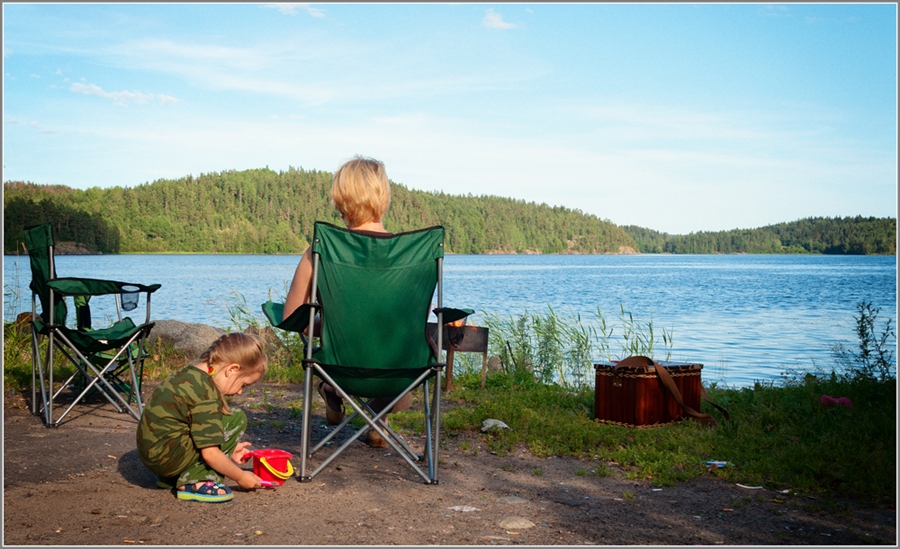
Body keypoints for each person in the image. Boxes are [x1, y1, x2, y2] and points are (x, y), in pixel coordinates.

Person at [283, 155, 411, 448]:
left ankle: (332, 387)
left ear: (339, 198)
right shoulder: (409, 254)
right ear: (384, 195)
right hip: (396, 372)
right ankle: (377, 414)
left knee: (341, 359)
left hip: (339, 365)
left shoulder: (320, 249)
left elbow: (293, 317)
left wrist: (331, 326)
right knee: (406, 372)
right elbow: (411, 325)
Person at [136, 332, 269, 503]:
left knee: (225, 418)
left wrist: (228, 449)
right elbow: (210, 454)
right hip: (167, 459)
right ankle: (197, 481)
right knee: (236, 417)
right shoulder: (205, 392)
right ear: (232, 369)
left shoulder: (188, 374)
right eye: (243, 384)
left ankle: (173, 477)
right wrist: (241, 476)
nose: (240, 392)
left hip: (154, 456)